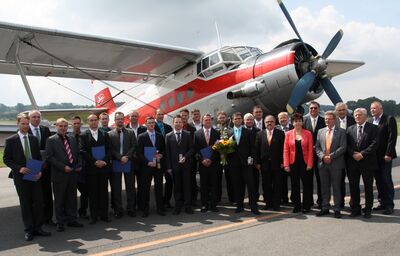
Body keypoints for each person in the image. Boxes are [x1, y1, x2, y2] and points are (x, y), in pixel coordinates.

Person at [3, 113, 51, 241]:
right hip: (20, 177)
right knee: (26, 203)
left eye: (26, 124)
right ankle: (29, 230)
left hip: (34, 175)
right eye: (22, 124)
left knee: (39, 202)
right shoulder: (11, 140)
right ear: (17, 124)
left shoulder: (33, 139)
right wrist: (19, 168)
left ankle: (38, 227)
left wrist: (40, 170)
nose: (25, 126)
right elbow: (6, 159)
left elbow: (38, 157)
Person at [46, 118, 83, 232]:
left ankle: (72, 219)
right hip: (60, 174)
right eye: (60, 126)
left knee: (71, 198)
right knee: (59, 199)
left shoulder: (72, 138)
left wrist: (79, 164)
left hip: (72, 173)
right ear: (56, 126)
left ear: (68, 127)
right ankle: (60, 222)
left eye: (65, 126)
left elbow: (77, 153)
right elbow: (49, 157)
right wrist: (63, 167)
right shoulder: (51, 140)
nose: (63, 128)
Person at [347, 108, 379, 218]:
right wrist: (352, 154)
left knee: (368, 187)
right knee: (353, 186)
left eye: (359, 115)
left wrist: (362, 154)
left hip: (367, 162)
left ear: (365, 116)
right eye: (355, 115)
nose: (357, 117)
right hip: (353, 162)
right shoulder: (349, 129)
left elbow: (375, 144)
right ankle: (356, 208)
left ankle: (368, 209)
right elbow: (347, 145)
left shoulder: (374, 128)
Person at [80, 114, 112, 224]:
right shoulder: (83, 135)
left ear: (98, 121)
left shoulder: (105, 134)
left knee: (103, 192)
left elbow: (109, 149)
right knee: (93, 193)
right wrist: (95, 162)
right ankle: (93, 216)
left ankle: (104, 215)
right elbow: (83, 151)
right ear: (88, 122)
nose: (94, 122)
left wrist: (104, 161)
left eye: (95, 120)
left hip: (104, 167)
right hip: (91, 169)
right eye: (91, 120)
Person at [315, 111, 347, 218]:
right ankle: (325, 207)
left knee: (336, 187)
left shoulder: (341, 132)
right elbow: (317, 147)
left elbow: (343, 147)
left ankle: (337, 208)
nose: (327, 121)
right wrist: (323, 157)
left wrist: (331, 156)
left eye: (329, 119)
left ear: (334, 120)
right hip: (323, 164)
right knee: (324, 187)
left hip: (336, 164)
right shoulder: (320, 131)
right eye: (325, 119)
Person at [227, 112, 260, 215]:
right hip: (234, 164)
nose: (238, 120)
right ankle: (239, 206)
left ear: (242, 120)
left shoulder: (248, 132)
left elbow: (253, 147)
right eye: (236, 119)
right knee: (237, 185)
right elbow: (226, 148)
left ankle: (254, 207)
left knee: (251, 185)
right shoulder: (228, 133)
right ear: (232, 120)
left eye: (239, 118)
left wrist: (251, 158)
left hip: (246, 163)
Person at [108, 112, 137, 218]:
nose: (120, 121)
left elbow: (134, 146)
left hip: (128, 162)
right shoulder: (110, 134)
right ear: (115, 120)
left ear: (124, 120)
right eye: (118, 119)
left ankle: (131, 208)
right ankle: (118, 210)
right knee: (116, 187)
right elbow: (110, 149)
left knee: (130, 186)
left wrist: (126, 157)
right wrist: (120, 157)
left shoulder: (130, 132)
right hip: (116, 162)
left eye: (121, 119)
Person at [370, 101, 397, 215]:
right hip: (374, 157)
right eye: (371, 108)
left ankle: (389, 205)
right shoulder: (372, 121)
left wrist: (388, 154)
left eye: (374, 108)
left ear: (381, 109)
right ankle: (382, 203)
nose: (372, 110)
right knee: (378, 181)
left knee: (386, 180)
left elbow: (392, 137)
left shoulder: (389, 119)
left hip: (385, 156)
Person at [283, 113, 314, 213]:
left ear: (302, 122)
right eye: (295, 121)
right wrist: (286, 164)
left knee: (307, 185)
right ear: (292, 123)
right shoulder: (288, 134)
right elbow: (286, 150)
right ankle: (297, 205)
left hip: (305, 163)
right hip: (293, 163)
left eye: (299, 121)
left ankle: (306, 205)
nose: (298, 123)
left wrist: (310, 163)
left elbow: (310, 150)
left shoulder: (308, 133)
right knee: (294, 185)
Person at [165, 115, 195, 214]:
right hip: (174, 166)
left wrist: (185, 157)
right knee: (177, 186)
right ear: (173, 123)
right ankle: (178, 206)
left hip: (185, 165)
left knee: (187, 186)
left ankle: (188, 206)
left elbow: (192, 149)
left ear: (182, 123)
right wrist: (169, 167)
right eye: (176, 122)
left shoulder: (187, 134)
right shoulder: (168, 136)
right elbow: (167, 153)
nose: (178, 124)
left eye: (179, 122)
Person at [28, 110, 53, 226]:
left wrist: (46, 162)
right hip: (32, 166)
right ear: (29, 119)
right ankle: (36, 219)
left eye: (38, 117)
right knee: (34, 195)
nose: (36, 119)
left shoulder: (45, 130)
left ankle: (48, 218)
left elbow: (49, 148)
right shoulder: (24, 130)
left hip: (45, 166)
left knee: (47, 193)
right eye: (34, 117)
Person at [137, 116, 166, 217]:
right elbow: (139, 153)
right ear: (145, 124)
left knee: (159, 187)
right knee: (146, 188)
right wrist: (147, 162)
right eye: (149, 123)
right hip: (146, 166)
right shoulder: (141, 137)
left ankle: (160, 208)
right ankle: (145, 210)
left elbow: (163, 149)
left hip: (158, 166)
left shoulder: (160, 136)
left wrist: (161, 155)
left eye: (153, 123)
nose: (151, 124)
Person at [255, 115, 285, 211]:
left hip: (277, 164)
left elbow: (283, 149)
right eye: (267, 122)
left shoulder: (280, 133)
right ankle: (268, 203)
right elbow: (257, 150)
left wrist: (282, 161)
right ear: (265, 123)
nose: (269, 123)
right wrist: (257, 162)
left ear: (275, 122)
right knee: (266, 184)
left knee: (277, 184)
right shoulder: (260, 134)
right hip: (264, 165)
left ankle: (276, 204)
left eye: (271, 121)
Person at [194, 114, 220, 212]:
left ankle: (213, 205)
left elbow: (218, 149)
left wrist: (211, 159)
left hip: (213, 163)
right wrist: (202, 160)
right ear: (202, 121)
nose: (208, 122)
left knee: (214, 184)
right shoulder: (197, 134)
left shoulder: (216, 132)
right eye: (206, 120)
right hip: (203, 164)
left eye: (209, 120)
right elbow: (196, 150)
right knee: (203, 185)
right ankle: (204, 204)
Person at [303, 101, 325, 208]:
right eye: (311, 108)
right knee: (308, 180)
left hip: (320, 155)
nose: (313, 110)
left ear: (319, 109)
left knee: (321, 179)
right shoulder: (304, 120)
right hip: (307, 156)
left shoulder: (323, 120)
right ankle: (309, 201)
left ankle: (321, 201)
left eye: (315, 108)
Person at [335, 102, 355, 208]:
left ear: (346, 110)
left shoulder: (353, 121)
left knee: (352, 180)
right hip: (338, 157)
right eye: (339, 110)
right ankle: (340, 202)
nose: (342, 112)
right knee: (339, 181)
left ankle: (353, 201)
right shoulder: (334, 122)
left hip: (351, 156)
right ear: (336, 112)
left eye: (343, 110)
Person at [126, 110, 147, 211]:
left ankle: (141, 205)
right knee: (130, 185)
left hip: (141, 161)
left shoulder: (144, 129)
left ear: (138, 117)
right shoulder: (125, 129)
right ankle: (131, 206)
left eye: (135, 116)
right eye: (132, 116)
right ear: (129, 118)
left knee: (142, 184)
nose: (134, 118)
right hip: (129, 161)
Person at [154, 109, 174, 209]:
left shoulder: (168, 127)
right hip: (156, 158)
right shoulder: (152, 126)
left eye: (162, 114)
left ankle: (167, 201)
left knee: (169, 181)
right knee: (158, 182)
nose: (161, 116)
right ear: (155, 115)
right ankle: (160, 203)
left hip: (167, 159)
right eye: (159, 114)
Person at [70, 116, 89, 219]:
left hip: (83, 169)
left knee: (85, 192)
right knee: (71, 193)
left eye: (78, 123)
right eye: (75, 124)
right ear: (72, 125)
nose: (77, 125)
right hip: (72, 170)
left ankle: (82, 211)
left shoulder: (84, 136)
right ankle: (71, 213)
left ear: (81, 124)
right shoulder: (68, 137)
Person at [215, 110, 234, 203]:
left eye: (223, 117)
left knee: (230, 178)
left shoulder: (231, 130)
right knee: (217, 179)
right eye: (220, 117)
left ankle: (232, 198)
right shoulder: (214, 130)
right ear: (217, 119)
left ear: (226, 118)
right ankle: (217, 198)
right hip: (217, 158)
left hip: (229, 158)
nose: (222, 119)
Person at [179, 108, 198, 202]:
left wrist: (187, 156)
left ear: (188, 117)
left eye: (186, 116)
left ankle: (192, 199)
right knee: (180, 181)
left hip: (190, 159)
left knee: (191, 180)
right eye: (182, 116)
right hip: (178, 160)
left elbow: (194, 145)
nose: (184, 118)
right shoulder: (175, 128)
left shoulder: (192, 129)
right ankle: (182, 200)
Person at [277, 111, 294, 205]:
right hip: (281, 160)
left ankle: (294, 198)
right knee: (282, 181)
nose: (283, 119)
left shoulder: (294, 128)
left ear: (288, 118)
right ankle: (284, 198)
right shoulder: (276, 129)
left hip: (293, 159)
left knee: (294, 181)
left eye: (284, 118)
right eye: (281, 118)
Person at [244, 113, 261, 201]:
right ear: (244, 121)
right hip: (243, 161)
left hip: (254, 160)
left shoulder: (258, 131)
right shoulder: (241, 130)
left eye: (251, 119)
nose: (249, 121)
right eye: (247, 119)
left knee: (255, 180)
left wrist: (257, 160)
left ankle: (255, 196)